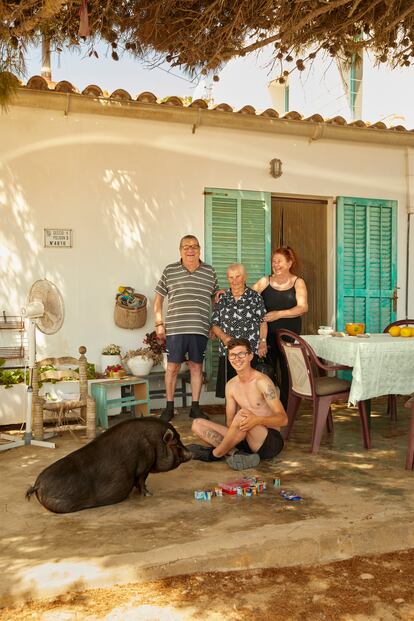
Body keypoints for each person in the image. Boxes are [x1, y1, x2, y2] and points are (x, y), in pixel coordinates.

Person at [189, 337, 287, 470]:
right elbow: (230, 423)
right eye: (233, 355)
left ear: (251, 356)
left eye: (242, 354)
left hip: (268, 441)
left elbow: (283, 419)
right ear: (229, 358)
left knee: (242, 414)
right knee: (197, 424)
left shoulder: (262, 382)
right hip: (245, 438)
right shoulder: (230, 385)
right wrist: (239, 430)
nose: (237, 358)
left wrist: (256, 420)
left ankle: (214, 454)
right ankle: (237, 453)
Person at [154, 235, 218, 422]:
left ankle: (195, 408)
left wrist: (214, 325)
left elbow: (216, 301)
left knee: (197, 368)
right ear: (180, 249)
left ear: (199, 249)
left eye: (194, 246)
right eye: (186, 247)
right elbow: (158, 300)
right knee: (172, 367)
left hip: (199, 328)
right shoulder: (170, 270)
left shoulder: (210, 272)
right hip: (175, 328)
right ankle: (169, 407)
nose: (190, 250)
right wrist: (159, 324)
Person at [252, 245, 308, 410]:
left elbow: (303, 307)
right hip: (267, 336)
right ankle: (268, 407)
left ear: (290, 263)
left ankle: (286, 409)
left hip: (289, 336)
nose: (275, 265)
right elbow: (246, 295)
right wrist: (227, 293)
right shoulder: (264, 281)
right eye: (273, 261)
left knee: (287, 373)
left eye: (279, 261)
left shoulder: (298, 282)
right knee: (267, 372)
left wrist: (279, 314)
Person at [211, 263, 268, 398]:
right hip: (229, 353)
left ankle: (250, 417)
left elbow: (263, 322)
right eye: (231, 277)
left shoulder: (255, 298)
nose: (234, 281)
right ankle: (232, 418)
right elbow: (215, 324)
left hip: (249, 353)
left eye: (238, 276)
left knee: (251, 392)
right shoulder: (222, 299)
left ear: (245, 277)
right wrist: (224, 338)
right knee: (231, 391)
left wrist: (263, 342)